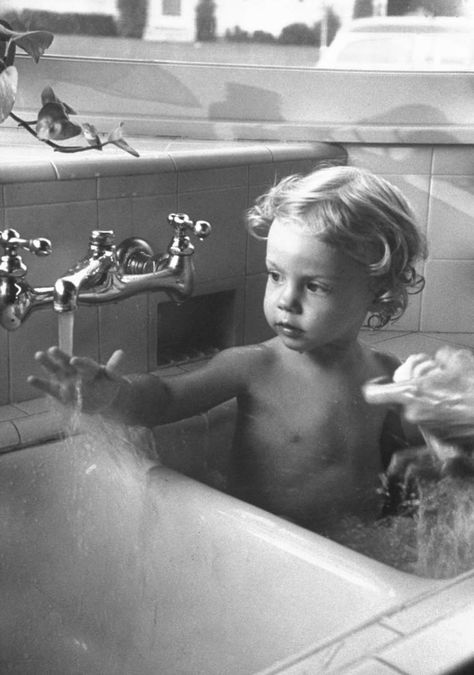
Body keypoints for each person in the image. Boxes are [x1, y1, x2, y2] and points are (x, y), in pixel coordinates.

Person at [28, 165, 426, 534]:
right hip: (263, 543)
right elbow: (165, 400)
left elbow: (411, 464)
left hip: (354, 549)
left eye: (315, 285)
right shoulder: (255, 366)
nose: (286, 300)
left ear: (378, 293)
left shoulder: (387, 375)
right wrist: (112, 395)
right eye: (276, 276)